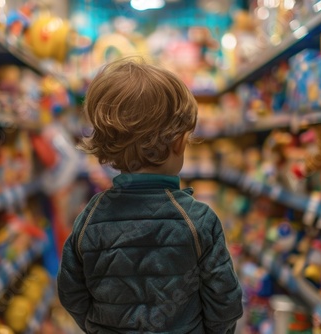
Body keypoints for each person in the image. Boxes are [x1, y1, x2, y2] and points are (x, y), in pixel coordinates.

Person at [57, 58, 243, 334]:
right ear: (179, 142)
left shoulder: (90, 216)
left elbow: (70, 290)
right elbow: (225, 301)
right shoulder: (199, 222)